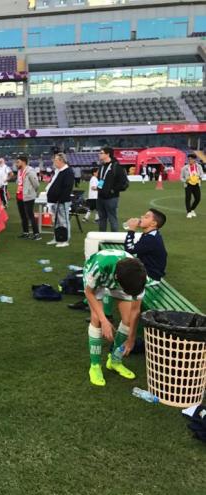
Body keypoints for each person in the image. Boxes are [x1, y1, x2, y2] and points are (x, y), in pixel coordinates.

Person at [83, 250, 147, 387]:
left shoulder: (139, 276)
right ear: (117, 278)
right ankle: (95, 366)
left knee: (128, 319)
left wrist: (131, 338)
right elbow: (88, 293)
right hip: (99, 280)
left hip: (121, 279)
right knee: (97, 319)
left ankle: (114, 361)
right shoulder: (99, 267)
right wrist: (104, 320)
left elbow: (135, 311)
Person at [123, 209, 167, 282]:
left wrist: (131, 231)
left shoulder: (151, 238)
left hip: (150, 277)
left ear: (153, 223)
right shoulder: (151, 234)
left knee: (119, 271)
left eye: (146, 217)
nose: (141, 217)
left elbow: (129, 249)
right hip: (146, 272)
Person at [96, 146, 128, 232]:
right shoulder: (102, 166)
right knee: (101, 219)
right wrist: (98, 188)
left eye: (101, 153)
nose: (99, 154)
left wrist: (113, 190)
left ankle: (114, 239)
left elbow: (124, 183)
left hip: (111, 198)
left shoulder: (116, 167)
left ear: (107, 154)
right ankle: (101, 238)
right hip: (100, 197)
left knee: (112, 219)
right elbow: (101, 179)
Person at [46, 153, 74, 248]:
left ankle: (65, 239)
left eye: (56, 160)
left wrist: (60, 199)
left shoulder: (68, 172)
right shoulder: (58, 171)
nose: (54, 162)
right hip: (54, 200)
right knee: (56, 221)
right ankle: (58, 237)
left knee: (63, 221)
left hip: (62, 201)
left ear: (61, 160)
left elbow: (67, 188)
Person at [14, 155, 41, 241]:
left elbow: (36, 184)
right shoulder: (19, 171)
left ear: (23, 162)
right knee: (23, 216)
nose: (16, 164)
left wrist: (31, 192)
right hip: (19, 196)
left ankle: (36, 234)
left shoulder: (30, 171)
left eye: (18, 162)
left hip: (28, 196)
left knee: (30, 216)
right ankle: (26, 232)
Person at [181, 153, 202, 218]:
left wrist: (199, 177)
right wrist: (185, 180)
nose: (189, 160)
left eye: (191, 159)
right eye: (189, 159)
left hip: (196, 184)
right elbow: (181, 177)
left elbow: (201, 174)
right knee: (188, 198)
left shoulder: (199, 167)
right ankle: (189, 212)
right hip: (188, 185)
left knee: (198, 198)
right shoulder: (185, 168)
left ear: (194, 160)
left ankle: (192, 209)